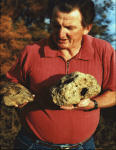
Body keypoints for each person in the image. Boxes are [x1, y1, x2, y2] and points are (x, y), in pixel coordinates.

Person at [6, 0, 116, 150]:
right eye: (56, 25)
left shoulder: (103, 51)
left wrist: (92, 104)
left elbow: (113, 93)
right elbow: (12, 86)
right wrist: (18, 98)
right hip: (34, 145)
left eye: (69, 28)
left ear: (87, 28)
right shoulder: (32, 52)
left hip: (83, 146)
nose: (60, 34)